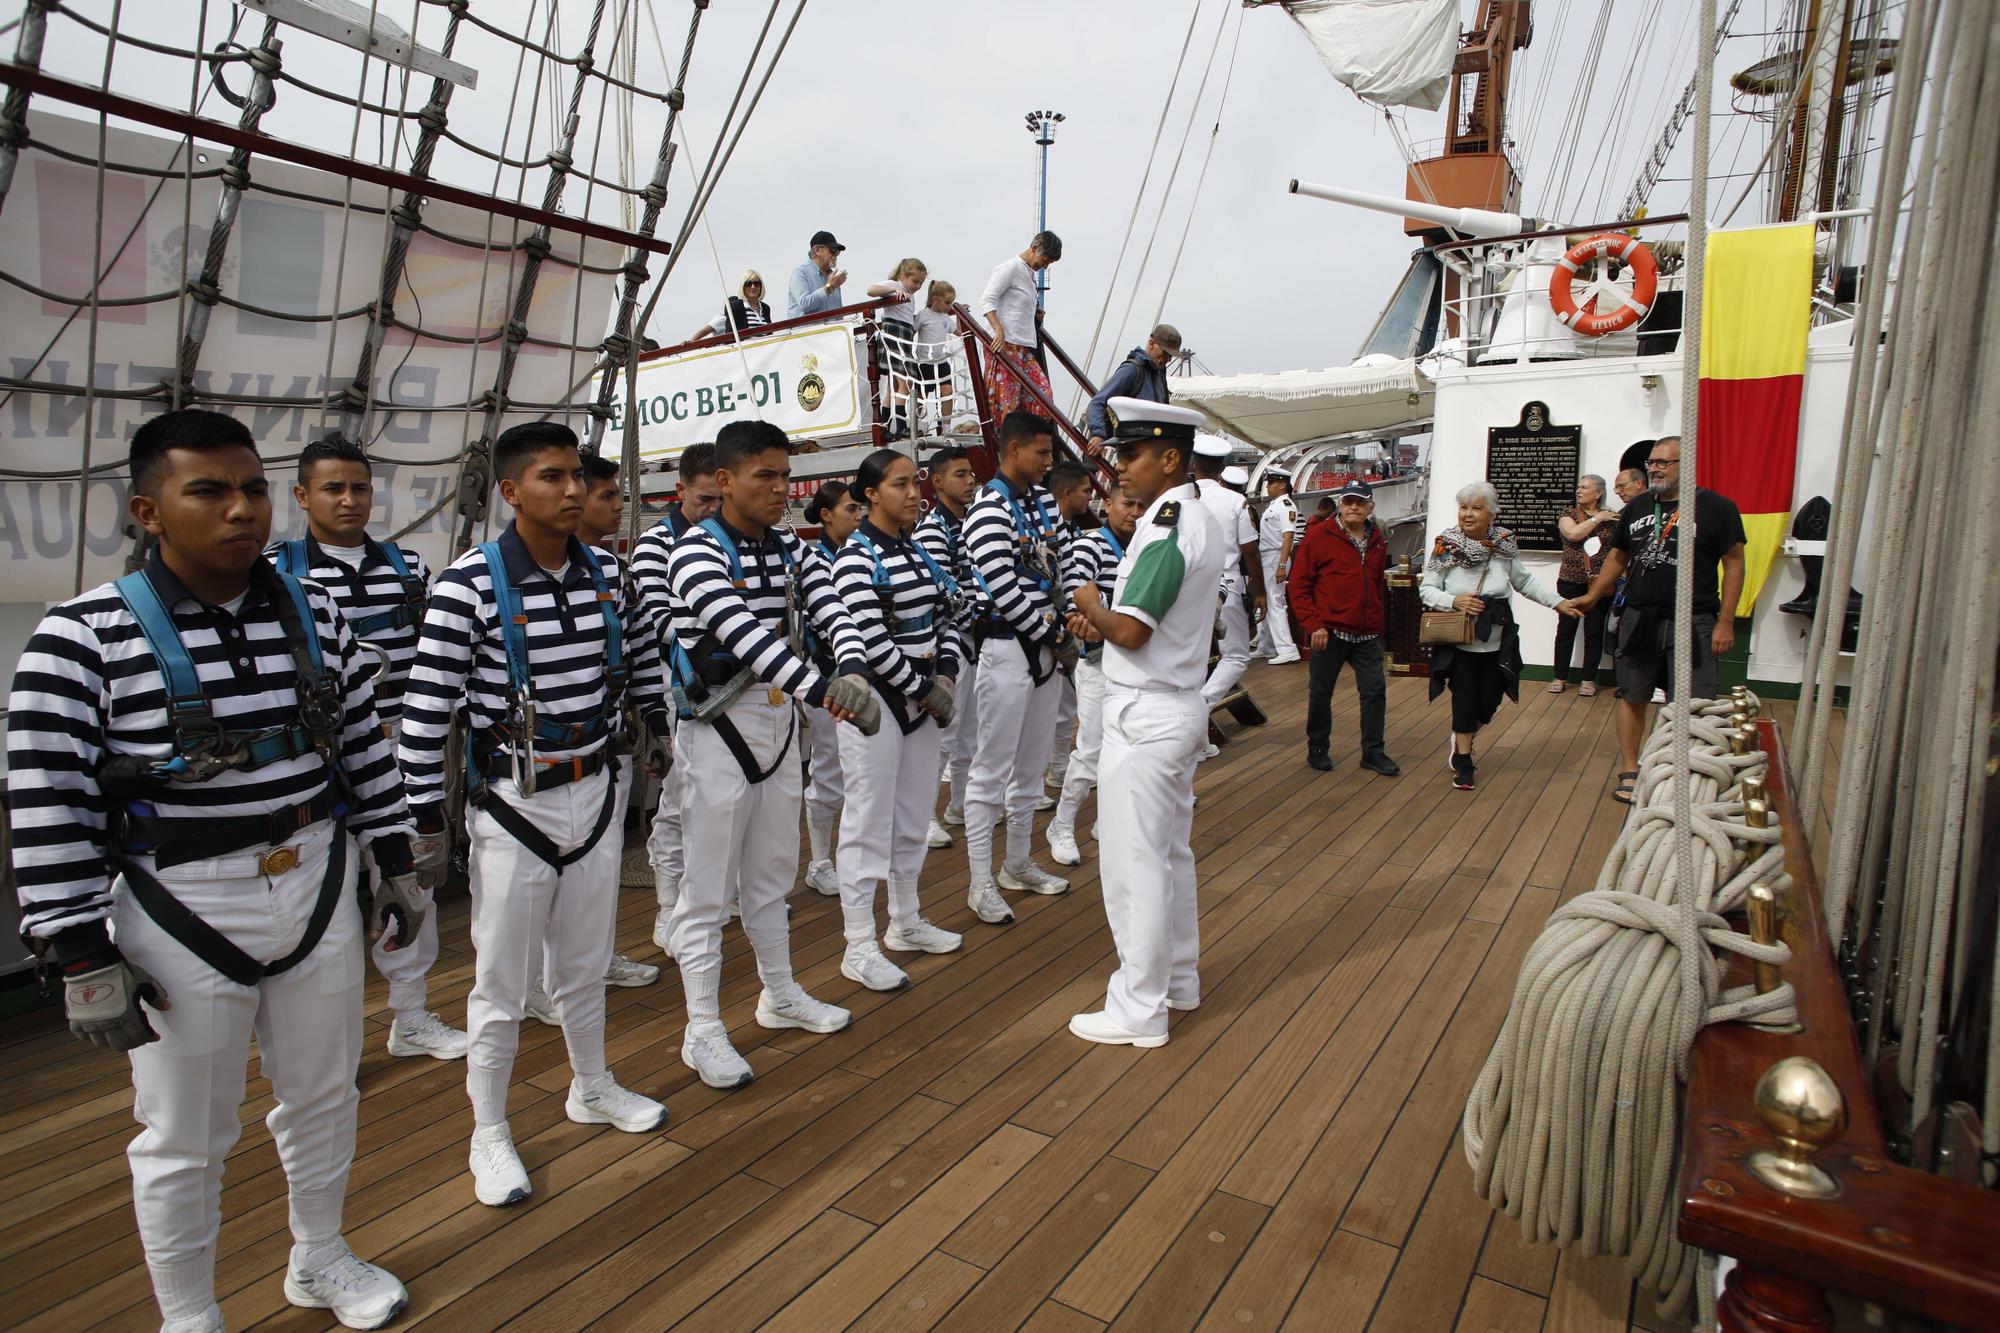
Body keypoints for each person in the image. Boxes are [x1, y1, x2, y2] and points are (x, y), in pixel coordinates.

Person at [8, 409, 416, 1330]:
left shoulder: (318, 617)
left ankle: (320, 1256)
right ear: (148, 510)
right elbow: (46, 799)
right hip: (180, 901)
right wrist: (76, 951)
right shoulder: (80, 638)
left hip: (315, 884)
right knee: (184, 1135)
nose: (242, 510)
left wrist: (395, 857)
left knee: (324, 1093)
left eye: (254, 489)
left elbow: (362, 744)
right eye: (210, 491)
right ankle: (188, 1313)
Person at [401, 421, 672, 1210]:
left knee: (585, 963)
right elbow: (425, 714)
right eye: (552, 477)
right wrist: (422, 819)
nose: (574, 491)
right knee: (502, 980)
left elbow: (638, 662)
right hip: (515, 802)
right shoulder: (468, 585)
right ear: (513, 491)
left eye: (578, 478)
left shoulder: (608, 578)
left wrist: (652, 729)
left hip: (595, 790)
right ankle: (488, 1128)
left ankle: (591, 1084)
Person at [661, 420, 878, 1087]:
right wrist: (827, 690)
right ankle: (702, 1027)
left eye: (786, 476)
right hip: (719, 729)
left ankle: (779, 992)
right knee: (706, 889)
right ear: (724, 480)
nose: (781, 489)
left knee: (772, 873)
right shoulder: (696, 552)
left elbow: (829, 603)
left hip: (779, 723)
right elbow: (744, 633)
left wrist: (854, 663)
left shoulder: (790, 546)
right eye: (767, 476)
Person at [265, 437, 468, 1064]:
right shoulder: (277, 574)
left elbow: (437, 655)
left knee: (408, 882)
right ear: (302, 496)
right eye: (332, 488)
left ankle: (410, 1015)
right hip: (324, 764)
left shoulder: (408, 567)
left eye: (359, 487)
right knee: (320, 902)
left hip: (404, 752)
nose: (349, 500)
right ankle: (325, 1047)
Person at [1064, 397, 1224, 1048]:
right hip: (1175, 704)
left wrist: (1091, 607)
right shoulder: (1199, 516)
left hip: (1146, 712)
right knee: (1169, 855)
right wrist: (1104, 622)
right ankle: (1177, 979)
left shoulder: (1164, 526)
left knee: (1136, 866)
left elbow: (1130, 629)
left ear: (1167, 458)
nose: (1118, 467)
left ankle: (1139, 1007)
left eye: (1129, 455)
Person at [828, 449, 967, 991]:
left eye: (916, 485)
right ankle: (858, 943)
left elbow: (950, 613)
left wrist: (948, 671)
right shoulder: (855, 559)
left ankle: (905, 919)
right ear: (871, 495)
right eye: (901, 485)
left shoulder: (919, 553)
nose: (914, 494)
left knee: (912, 814)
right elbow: (869, 638)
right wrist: (924, 689)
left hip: (924, 701)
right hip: (881, 705)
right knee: (866, 821)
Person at [1572, 435, 1747, 805]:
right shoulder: (1638, 507)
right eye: (1652, 462)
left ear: (1689, 466)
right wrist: (1593, 595)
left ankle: (1688, 771)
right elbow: (1618, 557)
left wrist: (1726, 621)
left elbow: (1734, 563)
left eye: (1663, 463)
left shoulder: (1717, 508)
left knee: (1693, 700)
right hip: (1639, 616)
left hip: (1694, 618)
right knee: (1632, 695)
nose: (1654, 468)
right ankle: (1631, 769)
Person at [963, 409, 1076, 924]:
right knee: (990, 769)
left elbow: (1064, 560)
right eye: (1042, 452)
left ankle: (1016, 862)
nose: (1048, 461)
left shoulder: (1043, 501)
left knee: (1029, 768)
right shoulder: (988, 507)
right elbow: (1001, 587)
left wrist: (1071, 615)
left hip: (1047, 648)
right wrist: (1052, 633)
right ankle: (980, 881)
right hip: (1010, 648)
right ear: (1013, 451)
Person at [563, 453, 659, 988]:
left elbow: (641, 649)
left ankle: (597, 956)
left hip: (608, 744)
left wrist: (653, 724)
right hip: (535, 761)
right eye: (608, 496)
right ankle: (535, 978)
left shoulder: (613, 573)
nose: (618, 507)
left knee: (600, 865)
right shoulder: (483, 576)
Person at [1420, 482, 1577, 791]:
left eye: (1476, 508)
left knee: (1490, 702)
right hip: (1460, 640)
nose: (1468, 514)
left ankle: (1461, 737)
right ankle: (1463, 760)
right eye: (1464, 507)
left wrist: (1557, 602)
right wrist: (1455, 600)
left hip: (1497, 637)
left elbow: (1524, 581)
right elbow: (1426, 588)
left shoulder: (1504, 543)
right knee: (1464, 701)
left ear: (1491, 513)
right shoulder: (1445, 545)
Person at [628, 443, 721, 948]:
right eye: (704, 500)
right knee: (677, 797)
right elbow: (655, 622)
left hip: (724, 684)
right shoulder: (653, 545)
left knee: (716, 795)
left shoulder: (726, 536)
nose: (713, 510)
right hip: (677, 685)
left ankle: (708, 891)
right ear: (680, 490)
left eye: (718, 500)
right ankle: (668, 907)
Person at [1047, 481, 1143, 867]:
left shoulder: (1143, 545)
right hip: (1099, 662)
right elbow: (1075, 587)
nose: (1133, 512)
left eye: (1140, 505)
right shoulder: (1090, 544)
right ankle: (1062, 824)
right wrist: (1084, 615)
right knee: (1090, 749)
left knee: (1126, 746)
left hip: (1132, 662)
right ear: (1108, 504)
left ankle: (1108, 820)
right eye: (1127, 504)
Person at [1289, 480, 1399, 776]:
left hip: (1367, 632)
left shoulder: (1376, 537)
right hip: (1330, 630)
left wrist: (1378, 624)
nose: (1353, 507)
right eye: (1348, 501)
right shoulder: (1319, 536)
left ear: (1370, 507)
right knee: (1321, 692)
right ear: (1340, 504)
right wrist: (1314, 625)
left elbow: (1376, 584)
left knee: (1374, 691)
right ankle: (1318, 747)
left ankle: (1373, 751)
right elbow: (1299, 586)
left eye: (1360, 502)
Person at [801, 480, 865, 896]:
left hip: (860, 675)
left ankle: (852, 853)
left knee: (857, 772)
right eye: (850, 509)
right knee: (828, 770)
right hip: (827, 677)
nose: (858, 516)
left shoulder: (859, 554)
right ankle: (820, 861)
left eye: (860, 509)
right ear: (826, 515)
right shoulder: (812, 560)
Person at [920, 446, 982, 849]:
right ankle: (923, 813)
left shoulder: (972, 523)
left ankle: (959, 804)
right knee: (944, 734)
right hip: (953, 641)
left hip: (976, 638)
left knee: (970, 733)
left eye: (971, 474)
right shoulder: (932, 530)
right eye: (960, 474)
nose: (970, 480)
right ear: (938, 482)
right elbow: (947, 590)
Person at [1191, 436, 1264, 729]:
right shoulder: (1235, 501)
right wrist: (1259, 591)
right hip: (1228, 583)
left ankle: (1196, 725)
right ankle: (1199, 709)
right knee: (1236, 655)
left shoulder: (1180, 498)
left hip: (1190, 584)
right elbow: (1249, 550)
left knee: (1192, 655)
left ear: (1193, 464)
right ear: (1222, 468)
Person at [1043, 459, 1098, 802]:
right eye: (1086, 492)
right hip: (1051, 625)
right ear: (1067, 493)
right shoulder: (1051, 526)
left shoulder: (1067, 528)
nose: (1090, 498)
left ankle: (1058, 767)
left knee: (1065, 705)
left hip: (1065, 622)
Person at [977, 230, 1062, 419]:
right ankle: (1005, 443)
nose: (1045, 266)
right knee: (1007, 402)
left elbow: (1016, 305)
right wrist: (998, 330)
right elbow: (986, 300)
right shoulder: (1010, 268)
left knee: (1042, 397)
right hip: (1006, 344)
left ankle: (1026, 441)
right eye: (1045, 260)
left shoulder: (1028, 275)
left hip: (1024, 345)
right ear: (1033, 248)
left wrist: (1034, 313)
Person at [1548, 473, 1617, 697]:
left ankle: (1589, 679)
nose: (1578, 490)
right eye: (1578, 487)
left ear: (1598, 493)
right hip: (1570, 581)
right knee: (1565, 630)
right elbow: (1573, 534)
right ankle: (1559, 677)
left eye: (1584, 487)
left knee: (1594, 632)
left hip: (1599, 584)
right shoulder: (1569, 514)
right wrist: (1598, 519)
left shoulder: (1613, 519)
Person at [1083, 324, 1179, 454]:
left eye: (1170, 356)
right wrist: (1098, 434)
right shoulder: (1131, 370)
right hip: (1130, 451)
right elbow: (1097, 403)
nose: (1168, 359)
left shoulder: (1159, 375)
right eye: (1165, 353)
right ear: (1151, 343)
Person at [866, 258, 928, 439]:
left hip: (904, 335)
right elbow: (871, 290)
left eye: (921, 283)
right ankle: (900, 426)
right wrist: (894, 289)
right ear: (903, 275)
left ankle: (885, 427)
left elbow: (909, 317)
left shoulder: (911, 294)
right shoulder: (895, 285)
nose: (917, 286)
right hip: (894, 334)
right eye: (915, 281)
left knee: (894, 387)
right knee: (903, 383)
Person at [1255, 467, 1302, 665]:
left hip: (1275, 558)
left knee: (1275, 602)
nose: (1268, 486)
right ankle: (1268, 645)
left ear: (1282, 484)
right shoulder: (1275, 505)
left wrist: (1282, 565)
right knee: (1267, 600)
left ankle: (1287, 648)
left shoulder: (1285, 506)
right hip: (1267, 558)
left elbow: (1288, 535)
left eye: (1271, 483)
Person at [687, 270, 772, 343]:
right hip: (747, 354)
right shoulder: (735, 308)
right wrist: (690, 342)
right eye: (749, 283)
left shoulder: (765, 308)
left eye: (756, 283)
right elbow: (730, 336)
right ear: (742, 287)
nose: (753, 287)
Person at [786, 229, 847, 319]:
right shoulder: (800, 273)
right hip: (805, 332)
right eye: (833, 250)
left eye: (838, 251)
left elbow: (838, 314)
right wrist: (829, 287)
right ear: (817, 250)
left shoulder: (833, 278)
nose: (836, 254)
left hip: (830, 331)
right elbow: (804, 304)